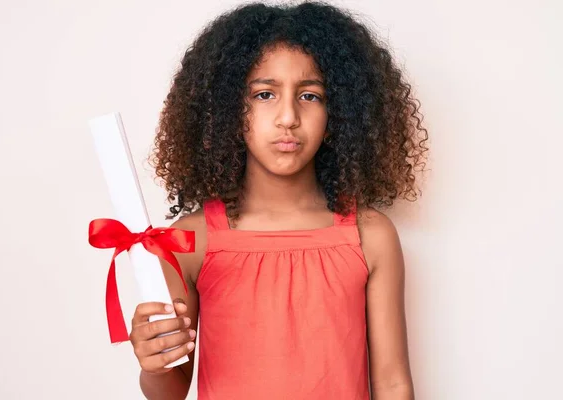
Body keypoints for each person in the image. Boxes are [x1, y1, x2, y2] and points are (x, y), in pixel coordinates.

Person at [130, 2, 428, 399]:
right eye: (265, 94)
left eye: (310, 96)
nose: (288, 116)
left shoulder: (370, 236)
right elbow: (170, 391)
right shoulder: (188, 241)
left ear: (338, 111)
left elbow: (392, 383)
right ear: (227, 108)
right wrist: (153, 364)